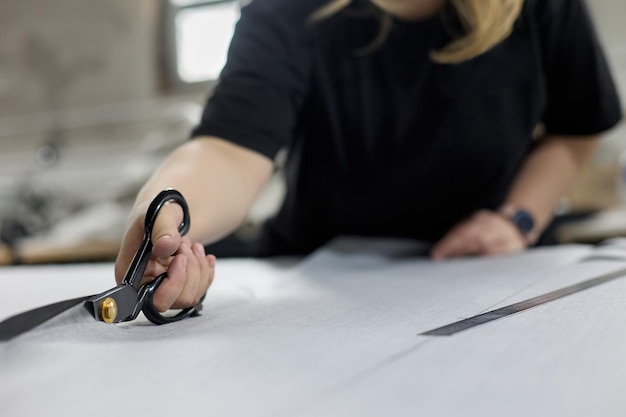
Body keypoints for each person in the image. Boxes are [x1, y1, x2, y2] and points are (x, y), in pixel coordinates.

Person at [114, 0, 622, 312]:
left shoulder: (538, 6)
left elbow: (576, 128)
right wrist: (163, 213)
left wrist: (519, 218)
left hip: (494, 277)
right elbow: (230, 149)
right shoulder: (286, 11)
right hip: (318, 282)